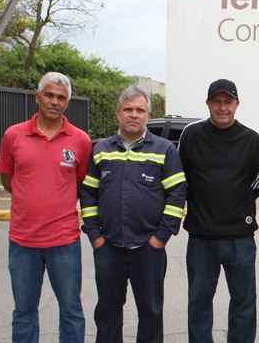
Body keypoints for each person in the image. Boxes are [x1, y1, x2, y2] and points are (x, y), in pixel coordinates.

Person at [79, 86, 187, 342]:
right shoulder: (101, 149)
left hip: (149, 248)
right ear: (118, 114)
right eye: (128, 109)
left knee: (151, 313)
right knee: (107, 313)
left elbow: (177, 195)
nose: (134, 114)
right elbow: (88, 194)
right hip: (109, 246)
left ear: (148, 115)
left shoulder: (164, 150)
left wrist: (160, 238)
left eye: (140, 110)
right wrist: (95, 236)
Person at [0, 72, 91, 343]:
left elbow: (79, 183)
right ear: (37, 97)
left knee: (71, 311)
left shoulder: (80, 140)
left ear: (67, 102)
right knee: (24, 312)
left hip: (65, 241)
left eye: (61, 97)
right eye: (49, 95)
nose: (54, 101)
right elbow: (9, 181)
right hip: (22, 241)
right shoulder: (13, 135)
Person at [178, 79, 259, 343]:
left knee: (244, 304)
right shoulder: (191, 135)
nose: (222, 107)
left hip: (241, 238)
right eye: (216, 101)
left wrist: (237, 201)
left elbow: (258, 180)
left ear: (237, 104)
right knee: (199, 303)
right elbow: (181, 178)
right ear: (208, 104)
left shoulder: (251, 138)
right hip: (201, 238)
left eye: (228, 101)